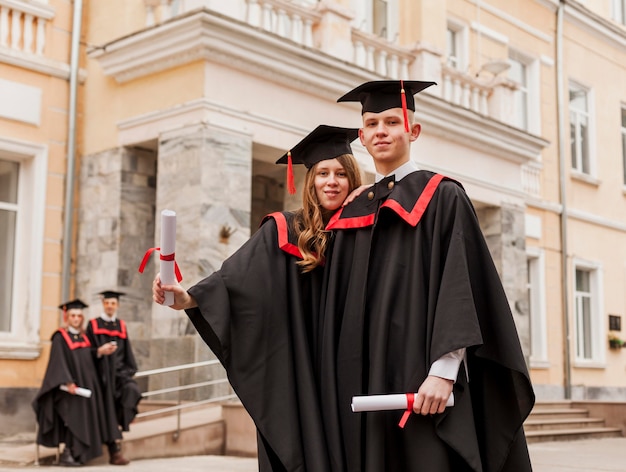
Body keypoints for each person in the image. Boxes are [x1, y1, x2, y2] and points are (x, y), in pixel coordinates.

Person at [315, 79, 536, 471]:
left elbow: (460, 285)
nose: (381, 130)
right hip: (361, 381)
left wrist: (443, 371)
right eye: (371, 123)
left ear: (413, 131)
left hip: (421, 381)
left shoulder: (442, 197)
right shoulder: (352, 211)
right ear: (362, 138)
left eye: (392, 121)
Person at [152, 125, 363, 471]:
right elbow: (236, 283)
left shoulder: (368, 230)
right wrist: (186, 298)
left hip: (353, 368)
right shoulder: (285, 230)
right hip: (301, 372)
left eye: (341, 174)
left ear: (353, 179)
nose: (332, 181)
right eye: (323, 173)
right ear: (309, 181)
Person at [32, 299, 111, 466]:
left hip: (86, 386)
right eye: (73, 315)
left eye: (79, 316)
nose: (76, 318)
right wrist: (68, 382)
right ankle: (67, 454)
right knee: (72, 418)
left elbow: (86, 356)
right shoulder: (60, 337)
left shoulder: (84, 337)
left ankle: (78, 455)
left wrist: (98, 351)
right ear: (66, 317)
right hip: (70, 387)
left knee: (84, 419)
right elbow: (58, 361)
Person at [85, 290, 142, 466]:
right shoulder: (93, 325)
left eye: (113, 303)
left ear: (117, 305)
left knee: (132, 391)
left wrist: (127, 372)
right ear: (103, 304)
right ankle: (114, 451)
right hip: (100, 377)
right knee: (107, 410)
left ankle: (123, 420)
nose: (110, 306)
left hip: (119, 375)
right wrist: (99, 352)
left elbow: (127, 354)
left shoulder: (121, 326)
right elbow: (86, 352)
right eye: (107, 303)